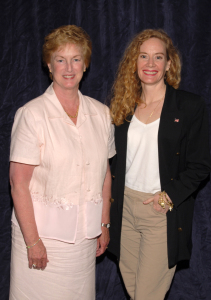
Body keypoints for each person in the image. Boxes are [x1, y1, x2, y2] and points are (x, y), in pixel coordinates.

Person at [9, 25, 115, 300]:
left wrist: (104, 225)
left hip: (84, 239)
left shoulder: (102, 114)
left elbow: (105, 174)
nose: (69, 67)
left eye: (76, 59)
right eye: (60, 59)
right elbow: (18, 183)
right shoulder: (31, 115)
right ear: (49, 64)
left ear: (86, 64)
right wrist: (33, 242)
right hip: (41, 239)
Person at [108, 29, 211, 300]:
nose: (150, 64)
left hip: (160, 212)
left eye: (158, 57)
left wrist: (167, 199)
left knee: (146, 295)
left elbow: (201, 165)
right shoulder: (123, 105)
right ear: (135, 62)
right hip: (123, 210)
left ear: (169, 64)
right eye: (143, 56)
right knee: (136, 292)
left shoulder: (189, 106)